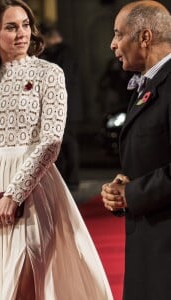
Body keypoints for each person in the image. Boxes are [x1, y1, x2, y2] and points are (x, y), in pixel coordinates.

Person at [0, 0, 112, 299]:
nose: (22, 33)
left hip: (34, 190)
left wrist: (14, 194)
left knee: (22, 283)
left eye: (26, 25)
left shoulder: (50, 74)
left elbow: (51, 141)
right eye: (11, 27)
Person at [101, 1, 171, 299]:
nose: (113, 43)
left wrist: (133, 193)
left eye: (119, 34)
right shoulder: (149, 83)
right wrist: (123, 187)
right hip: (150, 238)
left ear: (145, 37)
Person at [40, 23, 82, 191]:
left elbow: (62, 74)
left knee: (69, 143)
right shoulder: (61, 52)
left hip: (69, 107)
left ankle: (72, 179)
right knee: (64, 143)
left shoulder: (64, 52)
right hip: (67, 105)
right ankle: (67, 178)